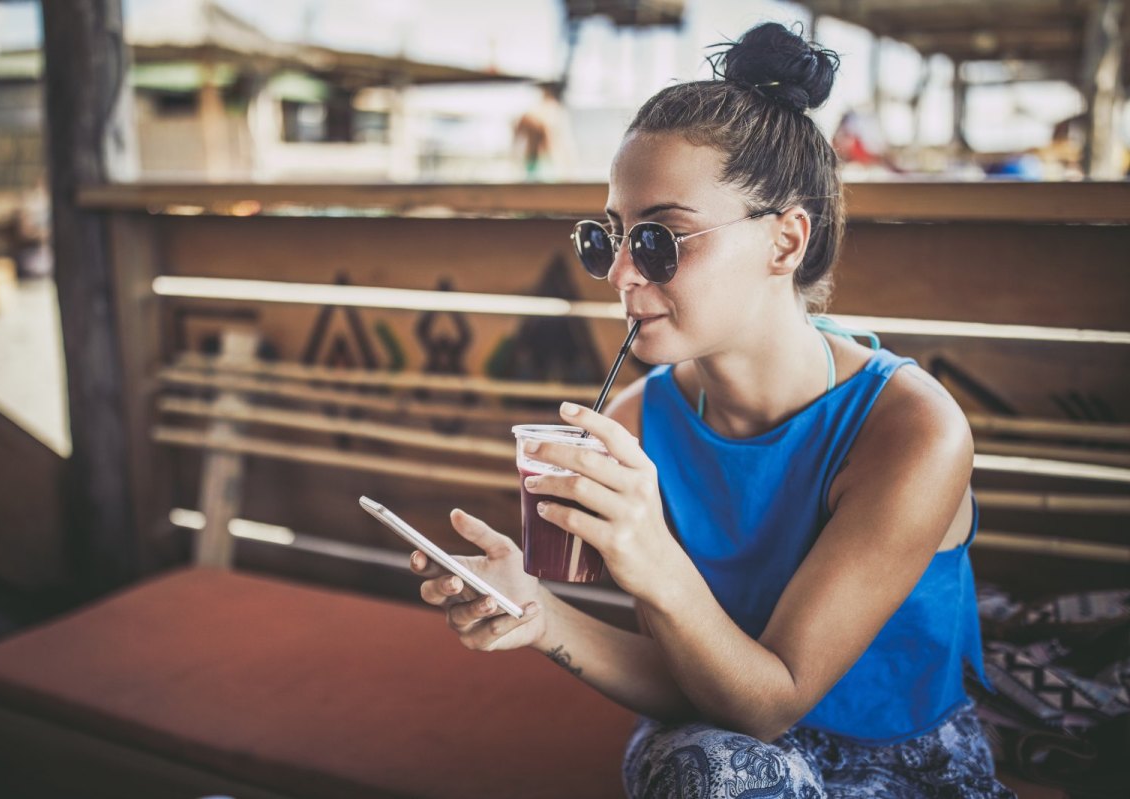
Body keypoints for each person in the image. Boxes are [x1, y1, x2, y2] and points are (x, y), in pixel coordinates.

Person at [411, 22, 1013, 798]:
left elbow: (771, 700)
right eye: (610, 238)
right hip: (720, 748)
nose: (621, 273)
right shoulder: (636, 424)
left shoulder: (909, 431)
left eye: (661, 238)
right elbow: (703, 688)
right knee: (704, 765)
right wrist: (541, 612)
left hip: (904, 762)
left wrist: (647, 549)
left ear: (785, 241)